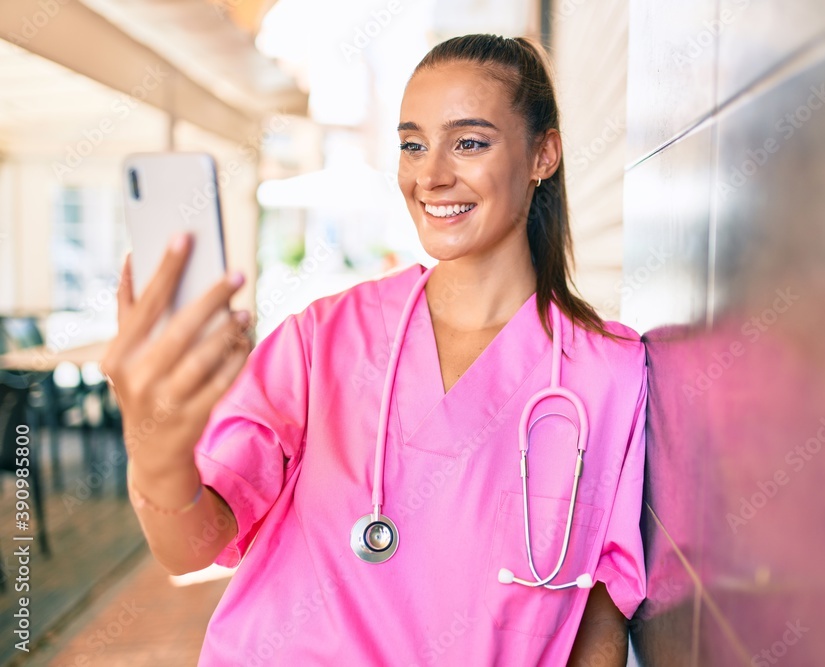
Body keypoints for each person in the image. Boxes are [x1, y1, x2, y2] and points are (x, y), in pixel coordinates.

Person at [101, 34, 647, 666]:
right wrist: (155, 446)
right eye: (412, 144)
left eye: (468, 142)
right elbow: (189, 546)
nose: (431, 174)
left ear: (542, 155)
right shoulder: (322, 339)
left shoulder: (610, 375)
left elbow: (603, 607)